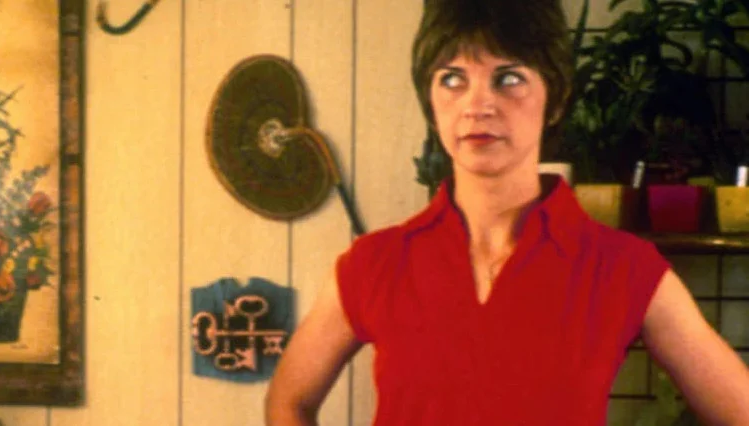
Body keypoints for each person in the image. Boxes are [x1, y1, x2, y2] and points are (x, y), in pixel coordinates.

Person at [264, 0, 749, 424]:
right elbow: (288, 402)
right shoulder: (375, 264)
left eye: (509, 78)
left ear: (555, 98)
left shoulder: (622, 268)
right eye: (452, 79)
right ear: (430, 100)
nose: (477, 105)